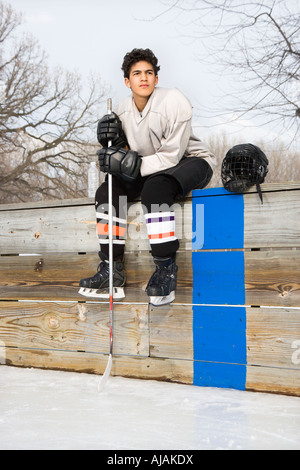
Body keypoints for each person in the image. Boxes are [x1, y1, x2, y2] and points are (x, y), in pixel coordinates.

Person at [79, 48, 215, 306]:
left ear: (156, 78)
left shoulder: (174, 100)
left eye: (149, 73)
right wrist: (113, 148)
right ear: (127, 82)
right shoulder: (120, 110)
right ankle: (112, 268)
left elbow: (172, 157)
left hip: (191, 161)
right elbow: (128, 156)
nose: (144, 78)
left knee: (156, 189)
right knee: (107, 191)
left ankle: (166, 269)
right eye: (137, 73)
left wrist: (131, 164)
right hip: (149, 167)